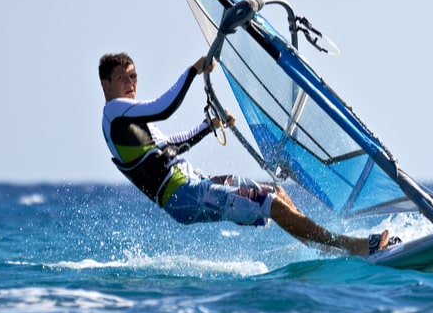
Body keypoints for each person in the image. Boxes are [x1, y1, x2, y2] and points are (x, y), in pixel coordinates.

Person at [99, 52, 398, 257]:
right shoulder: (115, 112)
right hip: (183, 194)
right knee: (269, 205)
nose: (131, 84)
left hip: (192, 186)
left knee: (275, 193)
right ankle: (351, 246)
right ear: (106, 84)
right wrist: (193, 71)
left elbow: (170, 147)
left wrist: (208, 126)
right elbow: (165, 107)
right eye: (123, 78)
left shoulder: (129, 118)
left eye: (133, 76)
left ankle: (325, 246)